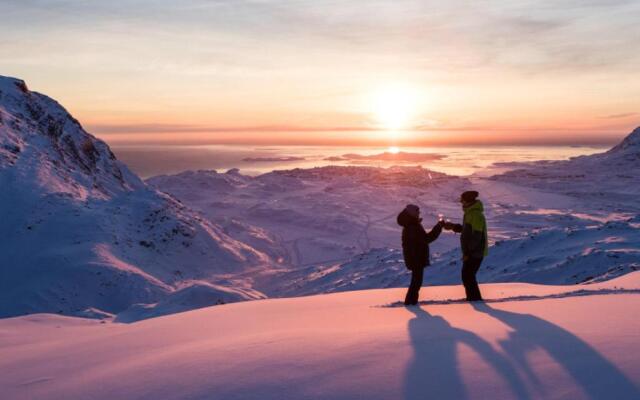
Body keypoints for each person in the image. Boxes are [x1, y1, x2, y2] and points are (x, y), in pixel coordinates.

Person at [444, 190, 488, 301]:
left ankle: (475, 299)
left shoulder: (476, 215)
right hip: (471, 251)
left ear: (468, 201)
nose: (461, 202)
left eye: (462, 200)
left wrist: (468, 252)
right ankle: (473, 298)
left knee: (468, 276)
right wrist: (453, 226)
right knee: (468, 276)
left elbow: (476, 237)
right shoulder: (469, 213)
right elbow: (467, 231)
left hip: (475, 252)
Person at [397, 204, 444, 305]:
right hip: (416, 258)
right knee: (416, 282)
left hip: (415, 257)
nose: (419, 213)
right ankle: (410, 303)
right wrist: (438, 227)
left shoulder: (411, 225)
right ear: (412, 214)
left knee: (416, 282)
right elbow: (427, 239)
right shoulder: (412, 227)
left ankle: (411, 302)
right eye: (417, 212)